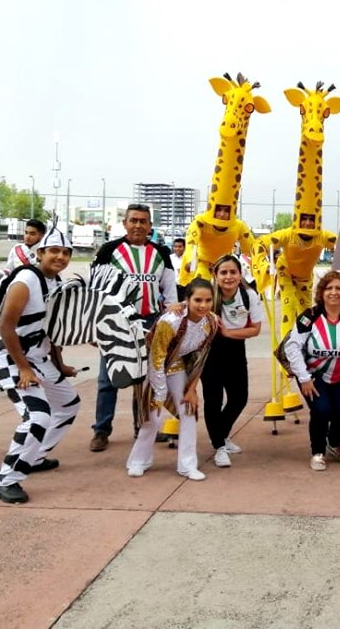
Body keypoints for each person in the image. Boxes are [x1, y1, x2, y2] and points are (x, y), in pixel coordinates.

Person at [0, 227, 78, 504]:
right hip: (13, 359)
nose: (60, 257)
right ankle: (5, 480)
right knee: (37, 417)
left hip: (40, 359)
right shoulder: (26, 280)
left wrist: (60, 365)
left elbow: (53, 332)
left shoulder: (57, 283)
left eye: (65, 253)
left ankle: (34, 457)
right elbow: (6, 327)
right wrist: (24, 368)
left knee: (68, 404)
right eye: (54, 251)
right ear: (40, 253)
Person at [89, 204, 177, 452]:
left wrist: (170, 324)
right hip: (114, 324)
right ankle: (101, 430)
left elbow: (170, 290)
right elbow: (94, 291)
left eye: (143, 221)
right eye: (133, 220)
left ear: (150, 226)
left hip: (149, 323)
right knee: (108, 379)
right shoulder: (109, 251)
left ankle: (142, 427)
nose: (138, 225)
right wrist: (94, 326)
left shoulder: (161, 252)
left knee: (145, 380)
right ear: (125, 223)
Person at [127, 279, 216, 481]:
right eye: (198, 300)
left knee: (189, 410)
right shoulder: (171, 321)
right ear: (187, 300)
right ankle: (139, 461)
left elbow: (201, 358)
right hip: (151, 366)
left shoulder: (211, 322)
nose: (203, 305)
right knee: (152, 416)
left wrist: (191, 389)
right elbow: (156, 358)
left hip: (177, 365)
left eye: (208, 300)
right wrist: (159, 394)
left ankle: (188, 465)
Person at [284, 270, 340, 471]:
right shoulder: (309, 317)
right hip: (313, 378)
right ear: (321, 292)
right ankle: (318, 452)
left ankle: (334, 444)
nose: (334, 292)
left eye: (338, 288)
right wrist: (304, 378)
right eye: (329, 288)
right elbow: (292, 347)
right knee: (322, 411)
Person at [202, 254, 264, 468]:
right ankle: (219, 446)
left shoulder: (248, 295)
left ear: (240, 274)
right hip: (210, 352)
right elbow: (188, 308)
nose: (228, 277)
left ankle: (220, 434)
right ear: (215, 275)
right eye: (223, 272)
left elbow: (255, 329)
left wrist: (228, 333)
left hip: (235, 348)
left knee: (239, 398)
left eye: (233, 272)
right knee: (213, 400)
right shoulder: (207, 294)